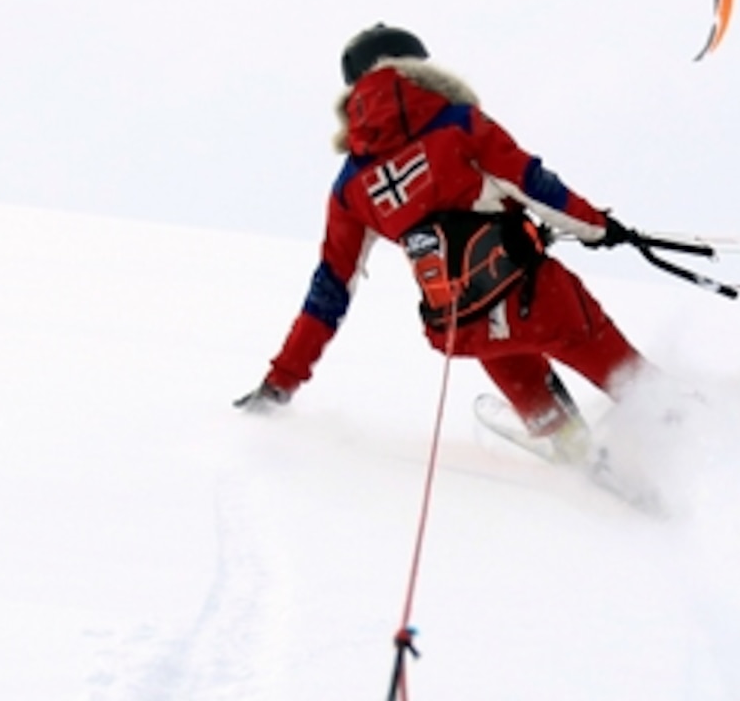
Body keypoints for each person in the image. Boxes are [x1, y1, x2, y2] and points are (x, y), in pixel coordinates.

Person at [236, 24, 650, 464]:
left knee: (513, 360)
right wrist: (599, 228)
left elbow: (329, 291)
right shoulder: (459, 124)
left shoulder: (351, 186)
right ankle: (683, 429)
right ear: (419, 69)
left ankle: (570, 443)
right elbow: (534, 185)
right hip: (541, 299)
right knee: (641, 389)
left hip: (465, 322)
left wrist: (279, 383)